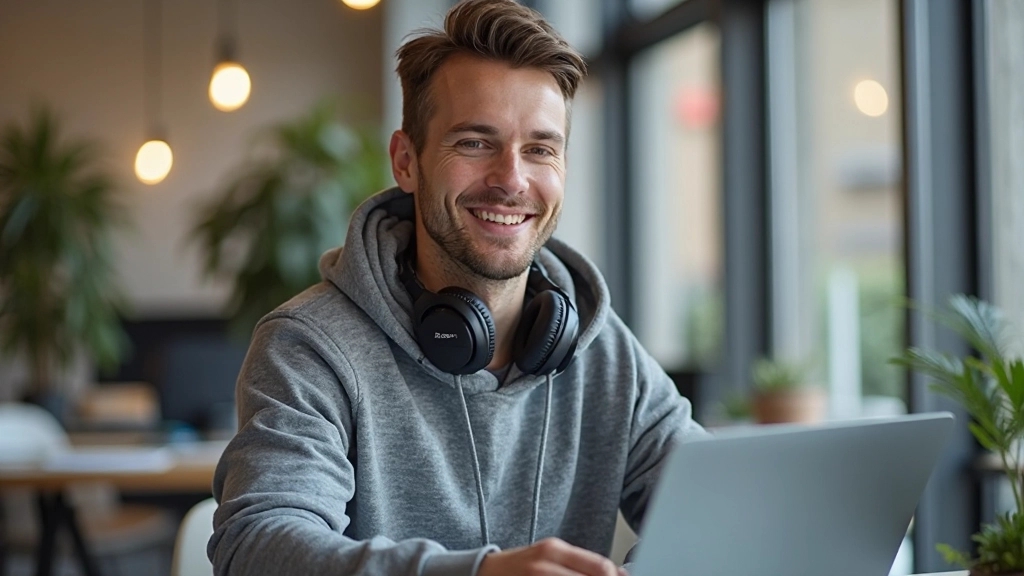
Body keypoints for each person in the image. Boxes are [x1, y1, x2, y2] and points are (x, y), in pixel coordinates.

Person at [207, 1, 705, 575]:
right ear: (406, 161)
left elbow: (720, 510)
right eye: (474, 142)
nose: (511, 180)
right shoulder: (310, 346)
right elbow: (258, 546)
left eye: (540, 149)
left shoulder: (602, 349)